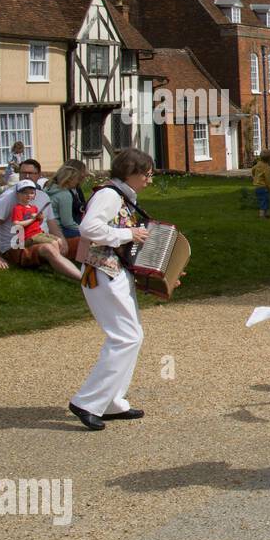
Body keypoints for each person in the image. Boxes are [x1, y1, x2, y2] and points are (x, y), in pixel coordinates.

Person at [68, 149, 158, 431]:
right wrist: (128, 234)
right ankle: (88, 401)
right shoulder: (109, 195)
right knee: (125, 337)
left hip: (114, 272)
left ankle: (110, 401)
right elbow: (89, 228)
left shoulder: (122, 196)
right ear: (130, 172)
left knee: (131, 336)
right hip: (102, 272)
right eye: (147, 173)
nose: (149, 179)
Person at [0, 159, 81, 280]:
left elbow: (52, 224)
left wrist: (62, 240)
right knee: (49, 248)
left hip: (40, 237)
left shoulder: (43, 196)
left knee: (84, 241)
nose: (26, 176)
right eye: (23, 173)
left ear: (39, 175)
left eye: (31, 173)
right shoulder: (8, 197)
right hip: (17, 245)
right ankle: (83, 279)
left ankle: (104, 271)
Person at [10, 181, 60, 250]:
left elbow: (38, 223)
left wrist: (40, 218)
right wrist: (32, 219)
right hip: (27, 237)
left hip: (39, 233)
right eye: (25, 192)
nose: (29, 195)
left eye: (31, 193)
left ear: (35, 195)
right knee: (53, 242)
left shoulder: (34, 208)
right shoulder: (18, 208)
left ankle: (57, 258)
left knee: (59, 240)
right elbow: (17, 224)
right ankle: (54, 259)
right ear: (18, 194)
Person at [46, 160, 90, 239]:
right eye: (77, 179)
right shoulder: (65, 195)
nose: (78, 182)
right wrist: (83, 229)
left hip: (47, 227)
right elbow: (67, 223)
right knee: (89, 234)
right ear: (70, 180)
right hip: (59, 229)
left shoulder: (49, 188)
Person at [252, 150, 270, 219]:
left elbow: (253, 169)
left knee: (265, 200)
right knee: (264, 201)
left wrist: (255, 177)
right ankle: (262, 215)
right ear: (269, 159)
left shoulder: (258, 164)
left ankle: (267, 214)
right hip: (263, 187)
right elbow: (268, 180)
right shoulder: (266, 167)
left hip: (257, 187)